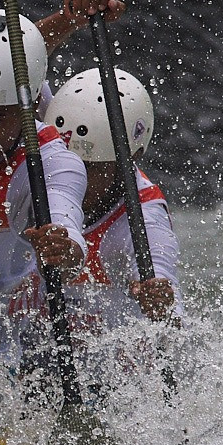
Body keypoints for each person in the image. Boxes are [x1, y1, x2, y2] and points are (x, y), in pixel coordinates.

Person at [44, 68, 182, 328]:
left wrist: (162, 305)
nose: (70, 177)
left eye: (88, 167)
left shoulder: (144, 218)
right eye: (63, 162)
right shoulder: (40, 156)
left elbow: (162, 276)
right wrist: (68, 24)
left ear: (130, 160)